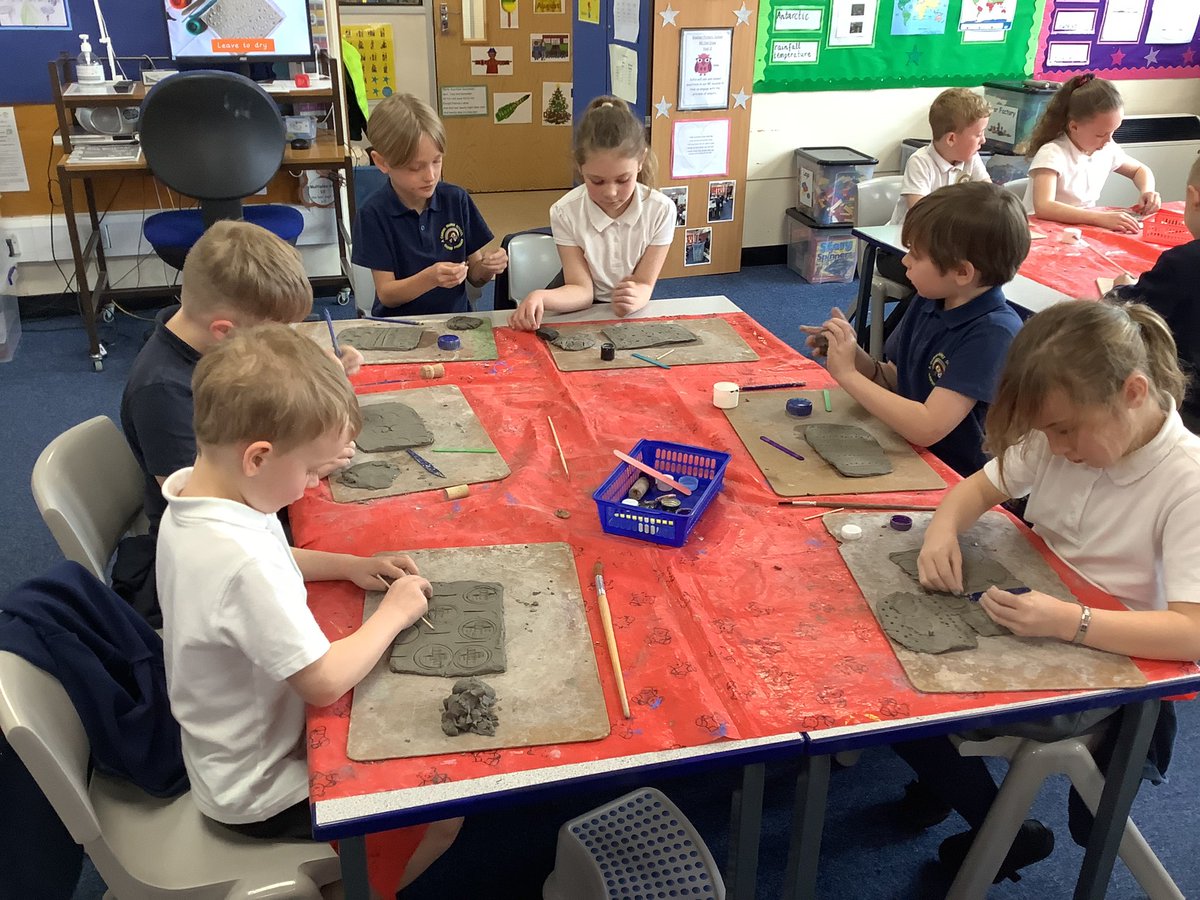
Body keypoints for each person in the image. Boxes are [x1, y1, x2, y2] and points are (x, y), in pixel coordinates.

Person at [896, 300, 1200, 882]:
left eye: (1065, 431)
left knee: (916, 703)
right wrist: (941, 529)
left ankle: (991, 825)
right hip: (1043, 612)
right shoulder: (1066, 428)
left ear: (1134, 392)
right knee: (884, 664)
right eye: (1047, 432)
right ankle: (981, 814)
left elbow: (1191, 631)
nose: (1055, 448)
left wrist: (1071, 622)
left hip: (1112, 659)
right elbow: (976, 489)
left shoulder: (1186, 483)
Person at [157, 324, 462, 897]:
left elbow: (273, 552)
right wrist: (391, 614)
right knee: (443, 814)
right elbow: (322, 681)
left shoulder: (197, 497)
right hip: (260, 791)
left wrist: (346, 564)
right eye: (312, 473)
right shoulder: (239, 561)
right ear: (258, 457)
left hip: (225, 752)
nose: (314, 486)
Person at [116, 221, 360, 626]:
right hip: (219, 560)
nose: (288, 341)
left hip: (259, 518)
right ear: (225, 332)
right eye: (277, 333)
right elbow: (220, 517)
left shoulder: (213, 348)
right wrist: (308, 463)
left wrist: (317, 382)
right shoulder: (163, 392)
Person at [802, 181, 1029, 478]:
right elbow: (897, 381)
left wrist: (846, 375)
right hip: (909, 450)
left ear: (962, 272)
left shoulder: (994, 333)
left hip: (956, 475)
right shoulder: (929, 300)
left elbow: (927, 427)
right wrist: (853, 354)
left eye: (917, 254)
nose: (905, 260)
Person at [508, 96, 674, 330]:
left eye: (623, 179)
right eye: (596, 181)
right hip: (583, 309)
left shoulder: (662, 210)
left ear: (641, 161)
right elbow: (582, 291)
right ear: (579, 167)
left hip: (632, 312)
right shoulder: (565, 212)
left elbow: (645, 283)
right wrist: (540, 296)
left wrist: (637, 295)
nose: (612, 193)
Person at [353, 93, 507, 317]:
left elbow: (475, 276)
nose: (431, 176)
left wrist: (487, 267)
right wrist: (430, 279)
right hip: (399, 325)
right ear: (382, 163)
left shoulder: (456, 199)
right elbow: (387, 294)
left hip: (456, 321)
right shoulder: (373, 213)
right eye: (416, 167)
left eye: (437, 161)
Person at [1109, 153, 1200, 432]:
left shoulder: (1184, 263)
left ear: (1193, 198)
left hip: (1184, 410)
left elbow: (1128, 312)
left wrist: (1119, 288)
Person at [1023, 74, 1160, 233]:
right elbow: (1044, 207)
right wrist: (1099, 218)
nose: (1109, 140)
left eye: (1113, 132)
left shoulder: (1107, 148)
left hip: (1081, 228)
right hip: (1042, 232)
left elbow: (1140, 170)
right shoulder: (1053, 153)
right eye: (1101, 134)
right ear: (1074, 127)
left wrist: (1147, 191)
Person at [888, 88, 992, 227]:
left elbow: (990, 196)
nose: (983, 140)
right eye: (978, 134)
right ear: (951, 139)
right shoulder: (920, 162)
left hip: (947, 235)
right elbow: (920, 214)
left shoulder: (972, 158)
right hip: (908, 238)